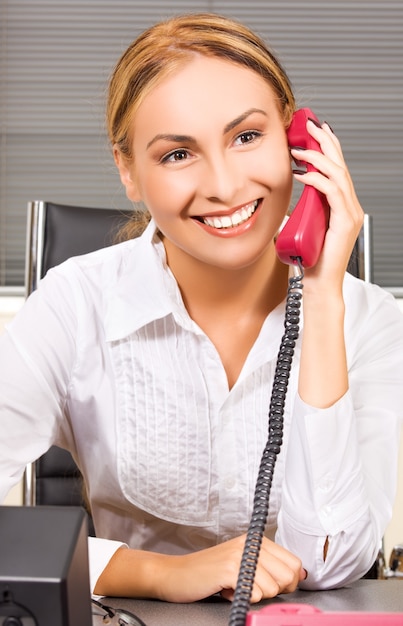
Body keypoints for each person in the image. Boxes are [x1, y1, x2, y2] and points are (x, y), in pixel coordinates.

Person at [1, 12, 403, 605]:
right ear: (128, 170)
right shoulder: (74, 304)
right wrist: (158, 573)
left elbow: (334, 560)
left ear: (301, 143)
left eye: (246, 137)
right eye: (177, 154)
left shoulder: (370, 320)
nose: (224, 185)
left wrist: (320, 298)